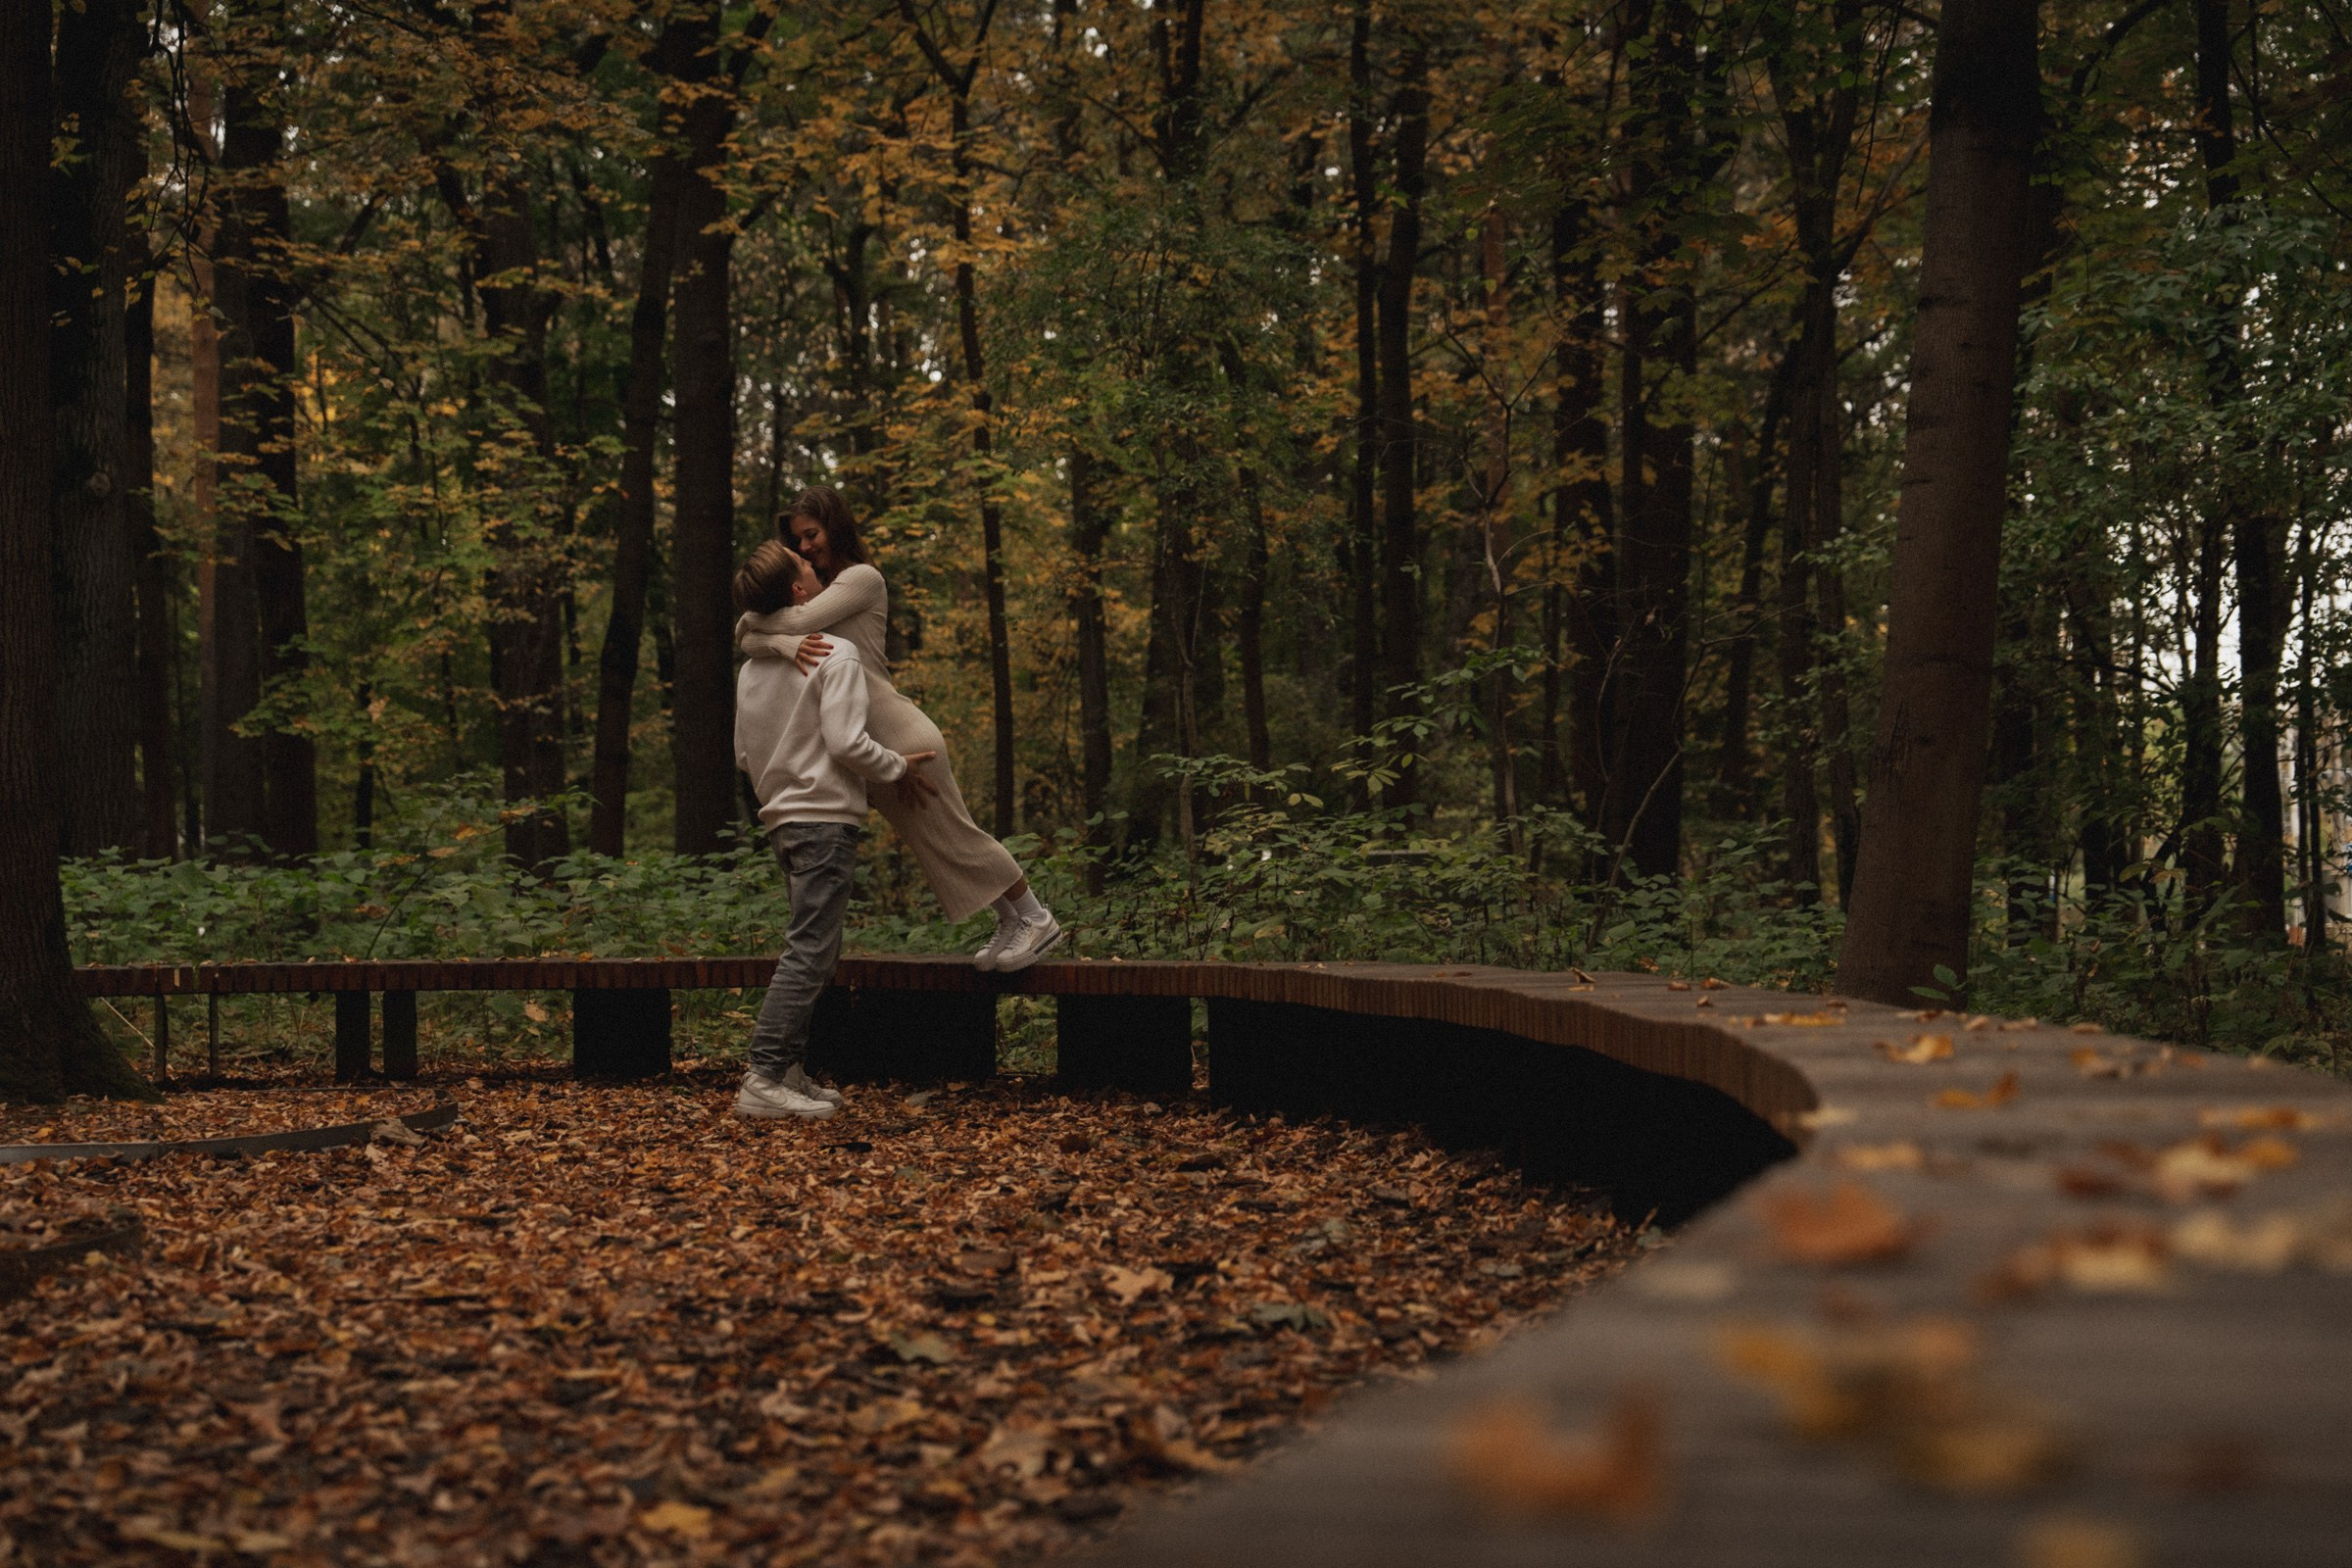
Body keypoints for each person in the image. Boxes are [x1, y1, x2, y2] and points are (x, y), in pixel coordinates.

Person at [736, 485, 1065, 972]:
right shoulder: (814, 594)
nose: (806, 548)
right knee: (935, 843)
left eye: (812, 534)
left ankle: (1036, 918)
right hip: (867, 746)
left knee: (954, 832)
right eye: (798, 541)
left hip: (901, 735)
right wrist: (779, 644)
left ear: (836, 525)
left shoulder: (860, 581)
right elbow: (753, 629)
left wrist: (762, 633)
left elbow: (764, 624)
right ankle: (1010, 918)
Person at [731, 540, 936, 1121]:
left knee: (815, 947)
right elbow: (846, 743)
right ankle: (765, 1075)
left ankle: (788, 1067)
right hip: (822, 817)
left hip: (782, 819)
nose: (815, 566)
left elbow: (745, 755)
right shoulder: (835, 653)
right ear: (798, 592)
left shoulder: (752, 667)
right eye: (805, 567)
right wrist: (896, 766)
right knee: (810, 951)